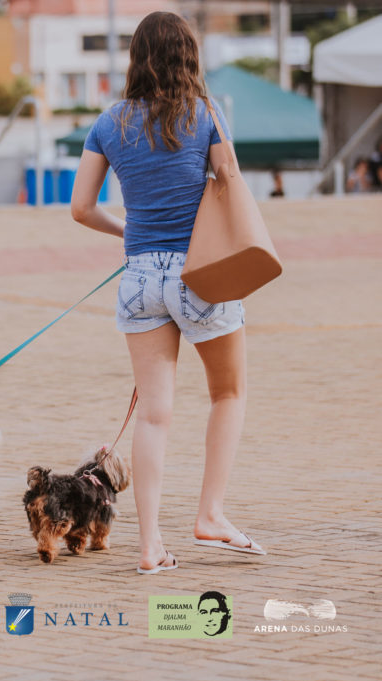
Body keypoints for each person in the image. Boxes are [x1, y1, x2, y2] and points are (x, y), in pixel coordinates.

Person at [70, 11, 265, 575]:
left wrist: (127, 231)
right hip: (200, 275)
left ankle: (151, 546)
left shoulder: (109, 123)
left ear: (136, 57)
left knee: (154, 416)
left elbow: (80, 207)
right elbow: (229, 180)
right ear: (188, 57)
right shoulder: (205, 114)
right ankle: (210, 515)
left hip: (139, 280)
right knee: (228, 393)